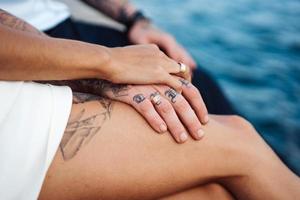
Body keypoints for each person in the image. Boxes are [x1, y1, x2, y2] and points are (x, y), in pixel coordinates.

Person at [0, 2, 299, 200]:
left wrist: (135, 21)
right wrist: (108, 63)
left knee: (211, 192)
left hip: (34, 46)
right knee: (240, 141)